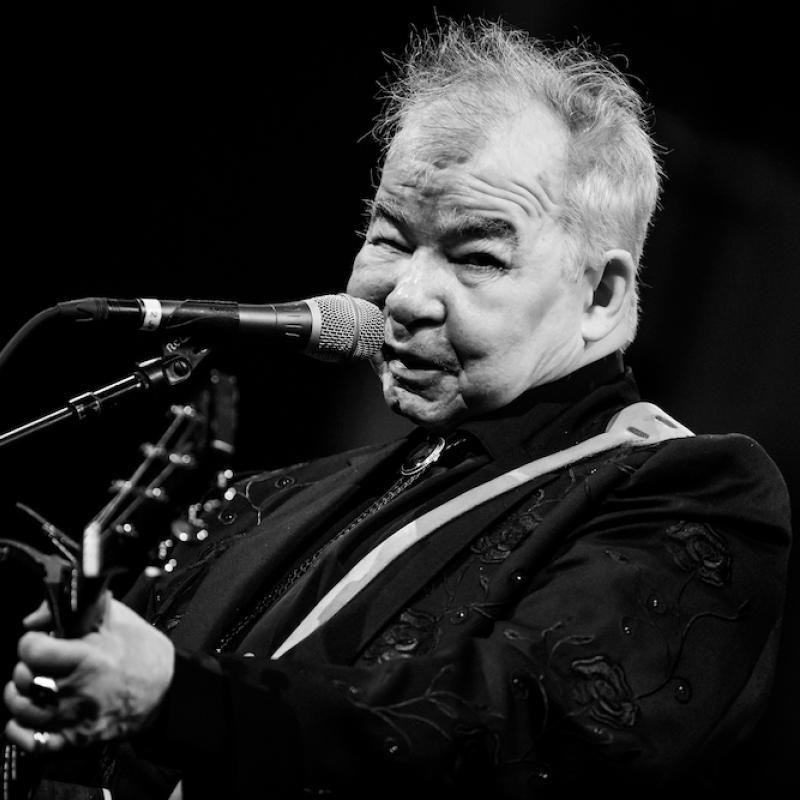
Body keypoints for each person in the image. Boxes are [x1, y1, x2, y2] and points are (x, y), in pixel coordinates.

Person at [2, 17, 792, 799]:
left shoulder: (691, 490)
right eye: (388, 238)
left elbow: (513, 729)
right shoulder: (268, 501)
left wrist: (176, 697)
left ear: (603, 294)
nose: (408, 296)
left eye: (476, 255)